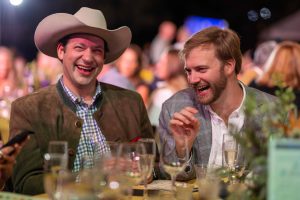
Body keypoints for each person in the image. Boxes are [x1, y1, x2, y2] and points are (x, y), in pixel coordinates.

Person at [9, 7, 153, 195]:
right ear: (61, 51)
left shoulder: (132, 102)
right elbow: (26, 182)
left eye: (97, 50)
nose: (88, 57)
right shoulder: (28, 108)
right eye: (79, 47)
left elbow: (154, 165)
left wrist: (145, 171)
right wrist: (94, 176)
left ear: (104, 58)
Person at [158, 27, 277, 180]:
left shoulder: (273, 110)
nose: (192, 79)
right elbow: (170, 176)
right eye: (189, 71)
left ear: (228, 66)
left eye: (201, 69)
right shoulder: (175, 107)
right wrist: (182, 150)